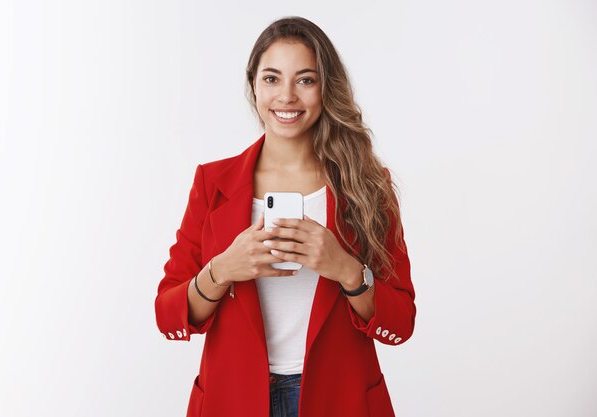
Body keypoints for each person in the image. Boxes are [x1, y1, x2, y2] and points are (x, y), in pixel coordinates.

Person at [154, 16, 416, 417]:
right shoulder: (213, 182)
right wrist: (222, 270)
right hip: (233, 399)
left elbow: (401, 322)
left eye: (306, 80)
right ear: (254, 85)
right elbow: (167, 311)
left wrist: (346, 270)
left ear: (326, 88)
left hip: (339, 398)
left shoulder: (366, 184)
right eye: (272, 79)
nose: (287, 96)